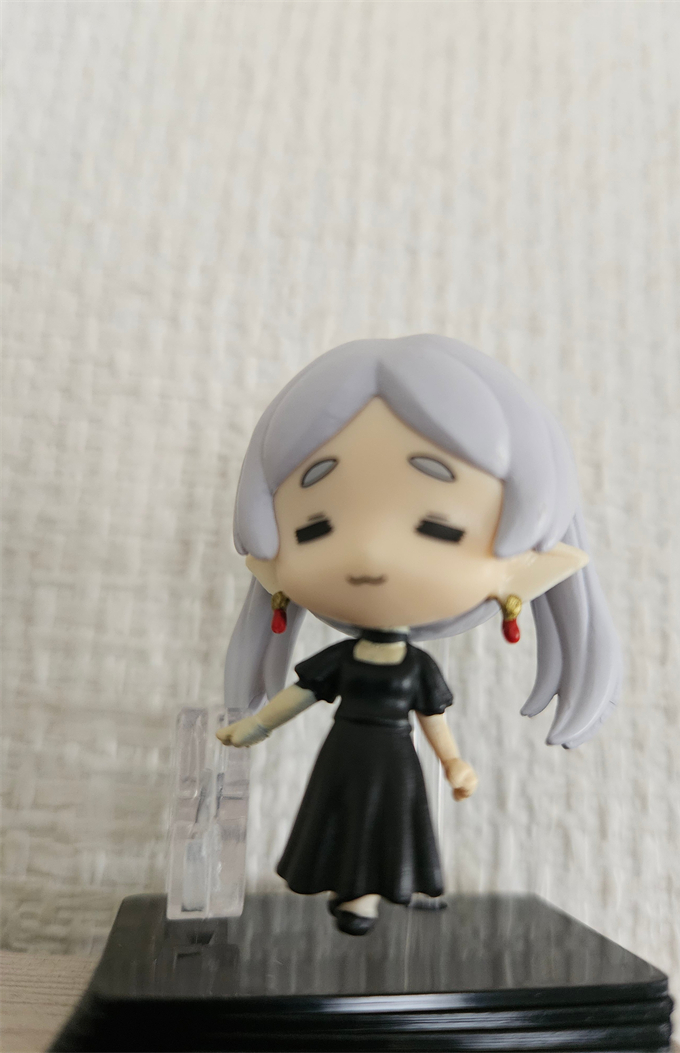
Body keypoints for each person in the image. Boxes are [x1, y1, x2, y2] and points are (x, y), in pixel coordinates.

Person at [217, 334, 621, 934]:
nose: (370, 551)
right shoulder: (343, 659)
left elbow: (433, 718)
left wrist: (453, 763)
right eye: (314, 528)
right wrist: (252, 728)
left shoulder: (417, 670)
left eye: (438, 527)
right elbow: (300, 696)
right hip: (344, 754)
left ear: (533, 564)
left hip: (394, 756)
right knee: (335, 820)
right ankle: (347, 892)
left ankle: (371, 894)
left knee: (388, 827)